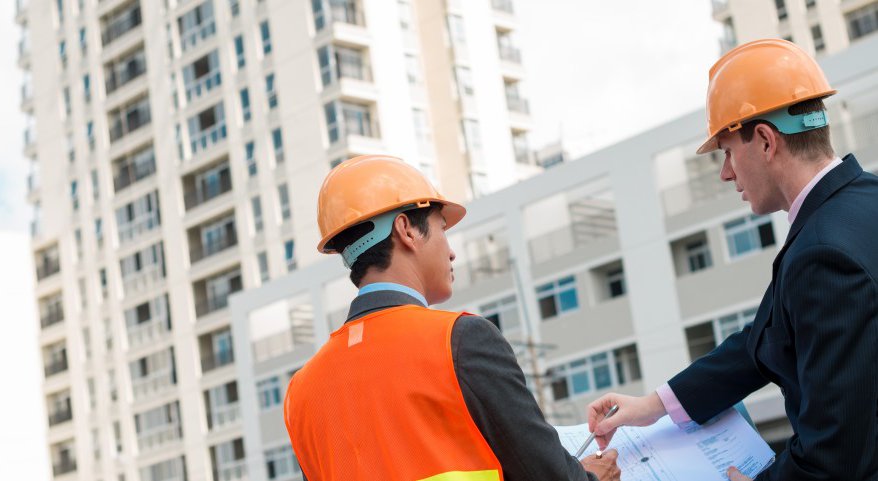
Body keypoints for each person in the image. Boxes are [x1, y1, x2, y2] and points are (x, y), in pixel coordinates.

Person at [586, 38, 878, 480]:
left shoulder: (821, 253)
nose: (725, 173)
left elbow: (837, 455)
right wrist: (653, 406)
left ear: (764, 141)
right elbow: (765, 340)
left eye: (726, 151)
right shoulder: (861, 204)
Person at [284, 155, 621, 481]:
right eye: (442, 228)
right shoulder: (459, 340)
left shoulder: (301, 392)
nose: (451, 250)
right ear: (407, 230)